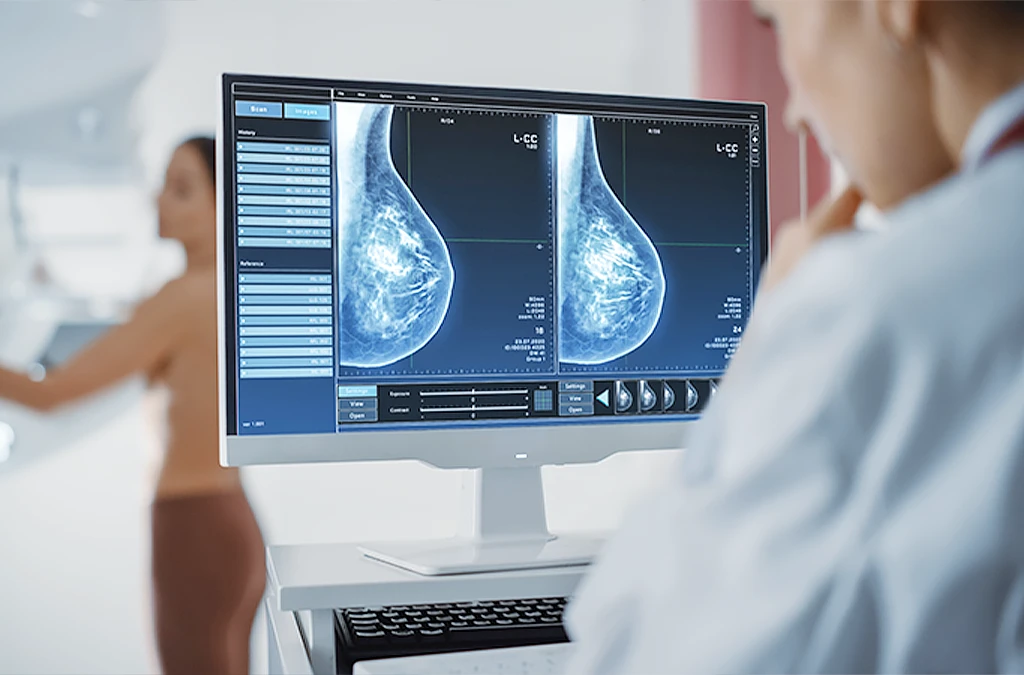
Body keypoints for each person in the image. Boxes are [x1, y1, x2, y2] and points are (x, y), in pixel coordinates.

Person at [565, 1, 1024, 673]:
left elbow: (631, 659)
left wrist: (762, 358)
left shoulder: (883, 313)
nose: (795, 111)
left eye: (777, 19)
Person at [0, 137, 265, 675]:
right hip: (231, 521)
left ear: (224, 205)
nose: (159, 200)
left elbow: (52, 394)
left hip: (193, 527)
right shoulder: (227, 290)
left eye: (182, 189)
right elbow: (135, 326)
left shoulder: (183, 297)